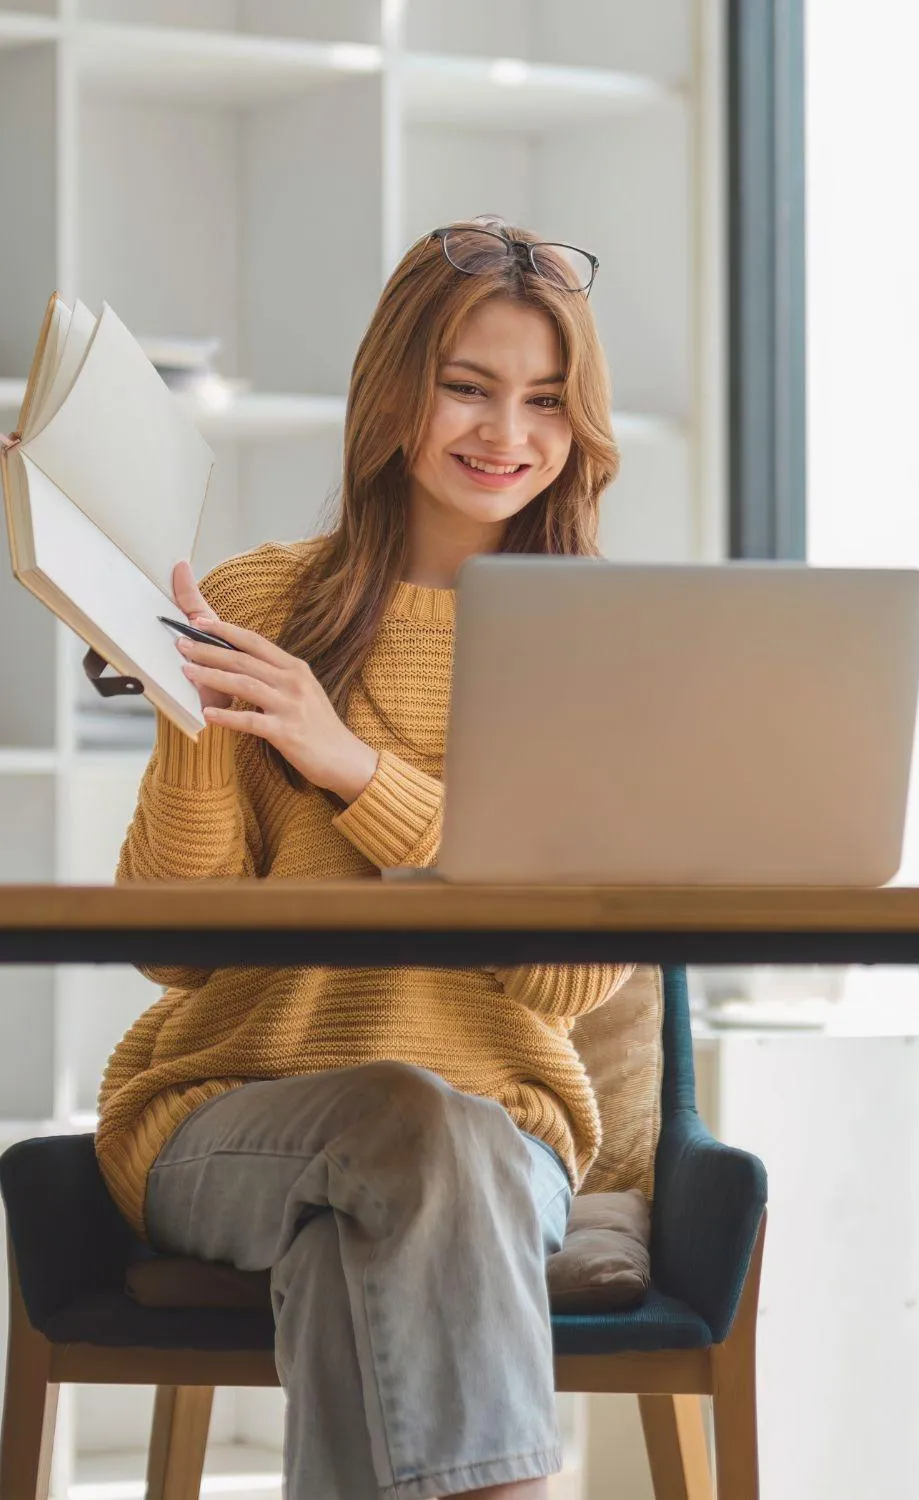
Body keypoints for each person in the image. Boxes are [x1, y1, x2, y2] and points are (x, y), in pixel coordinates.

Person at [96, 217, 635, 1500]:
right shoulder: (263, 603)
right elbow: (174, 950)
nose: (507, 432)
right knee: (397, 1122)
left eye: (547, 401)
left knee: (381, 1208)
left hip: (501, 1141)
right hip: (230, 1117)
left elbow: (570, 982)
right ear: (396, 387)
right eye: (467, 385)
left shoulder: (596, 642)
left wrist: (353, 771)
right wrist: (195, 719)